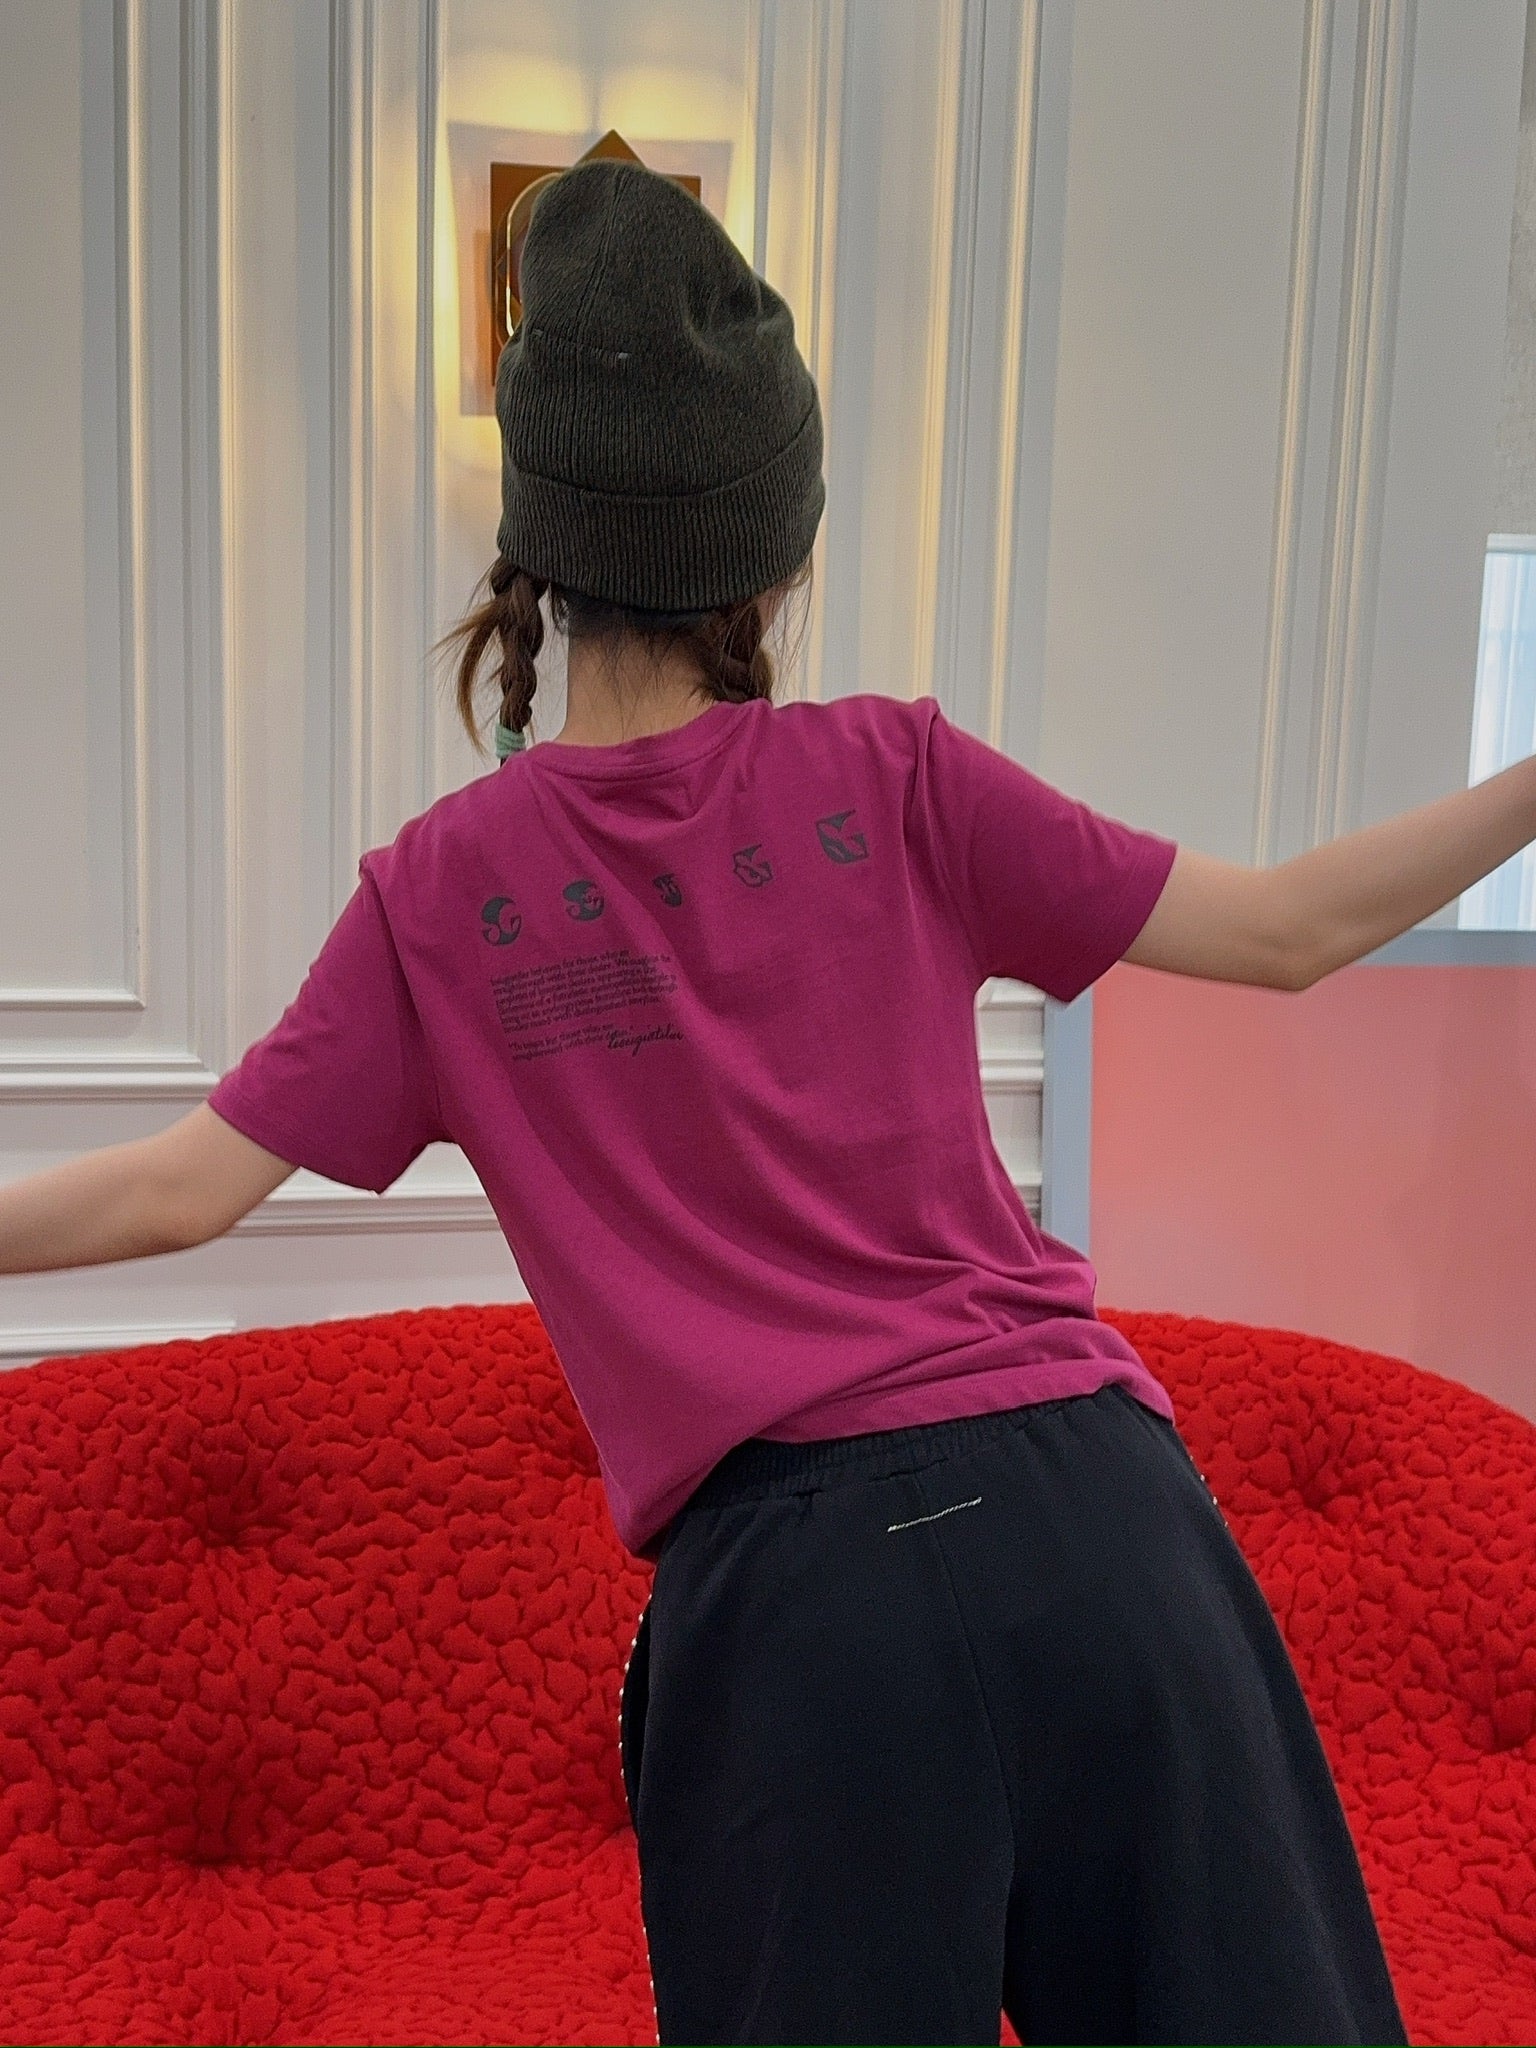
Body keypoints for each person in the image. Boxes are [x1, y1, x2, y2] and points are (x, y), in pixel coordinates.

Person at [27, 151, 1536, 2045]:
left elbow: (169, 1196)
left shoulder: (440, 896)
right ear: (773, 549)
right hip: (1104, 1534)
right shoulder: (897, 775)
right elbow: (1298, 931)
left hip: (807, 1624)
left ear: (539, 551)